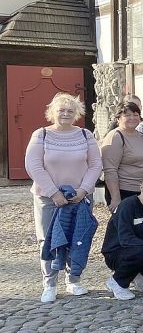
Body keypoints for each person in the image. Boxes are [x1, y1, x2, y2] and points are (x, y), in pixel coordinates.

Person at [25, 93, 102, 302]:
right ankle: (49, 284)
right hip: (48, 198)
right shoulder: (41, 135)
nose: (66, 114)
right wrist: (54, 192)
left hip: (80, 197)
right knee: (48, 240)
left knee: (78, 237)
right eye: (61, 110)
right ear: (52, 112)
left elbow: (96, 164)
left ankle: (73, 280)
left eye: (70, 110)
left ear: (77, 113)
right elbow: (34, 166)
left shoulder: (86, 135)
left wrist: (84, 190)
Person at [102, 102, 143, 212]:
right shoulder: (116, 136)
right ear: (118, 118)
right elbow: (110, 170)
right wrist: (115, 197)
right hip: (125, 191)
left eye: (135, 115)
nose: (132, 118)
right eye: (127, 115)